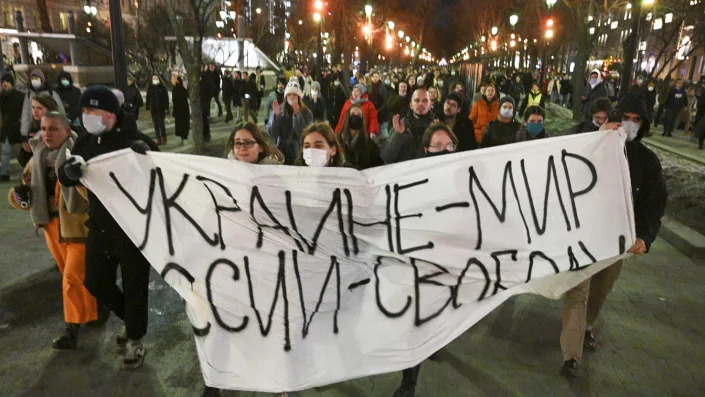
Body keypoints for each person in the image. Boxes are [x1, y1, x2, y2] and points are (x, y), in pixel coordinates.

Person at [559, 92, 667, 378]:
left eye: (637, 120)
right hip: (583, 235)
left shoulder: (646, 161)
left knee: (600, 291)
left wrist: (645, 236)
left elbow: (654, 203)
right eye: (626, 119)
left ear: (643, 124)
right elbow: (562, 157)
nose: (630, 125)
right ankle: (571, 355)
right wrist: (597, 135)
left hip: (616, 242)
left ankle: (585, 327)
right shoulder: (592, 143)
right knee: (577, 291)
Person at [58, 86, 159, 370]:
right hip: (101, 227)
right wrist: (68, 172)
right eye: (85, 111)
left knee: (135, 285)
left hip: (134, 230)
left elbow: (161, 171)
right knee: (95, 280)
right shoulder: (87, 142)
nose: (88, 116)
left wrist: (147, 156)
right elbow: (66, 174)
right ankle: (130, 318)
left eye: (94, 111)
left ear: (112, 113)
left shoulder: (135, 139)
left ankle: (135, 341)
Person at [9, 111, 97, 349]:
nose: (47, 134)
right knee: (76, 277)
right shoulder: (36, 158)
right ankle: (94, 311)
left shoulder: (79, 157)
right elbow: (21, 194)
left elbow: (94, 195)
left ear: (67, 131)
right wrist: (19, 197)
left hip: (78, 227)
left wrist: (75, 179)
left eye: (53, 129)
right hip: (50, 226)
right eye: (44, 128)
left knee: (71, 279)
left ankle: (72, 328)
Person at [392, 122, 459, 397]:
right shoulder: (413, 177)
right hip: (419, 259)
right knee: (416, 320)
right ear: (426, 149)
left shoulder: (466, 175)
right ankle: (410, 381)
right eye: (437, 146)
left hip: (451, 261)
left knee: (436, 314)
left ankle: (436, 339)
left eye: (448, 146)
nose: (443, 150)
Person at [382, 88, 436, 164]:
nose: (421, 103)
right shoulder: (401, 124)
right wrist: (399, 134)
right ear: (411, 105)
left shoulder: (437, 126)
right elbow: (387, 157)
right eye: (417, 100)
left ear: (430, 104)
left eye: (425, 101)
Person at [271, 78, 313, 165]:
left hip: (298, 150)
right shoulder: (280, 110)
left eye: (294, 94)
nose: (292, 97)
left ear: (299, 96)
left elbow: (305, 134)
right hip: (281, 150)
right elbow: (273, 133)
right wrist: (277, 117)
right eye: (289, 94)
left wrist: (297, 115)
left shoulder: (306, 112)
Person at [18, 94, 61, 168]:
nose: (35, 111)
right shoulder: (33, 128)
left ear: (50, 109)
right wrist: (26, 151)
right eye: (33, 107)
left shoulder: (60, 126)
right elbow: (23, 162)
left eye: (39, 108)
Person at [21, 69, 65, 140]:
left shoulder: (51, 93)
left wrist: (62, 127)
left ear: (42, 79)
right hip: (33, 128)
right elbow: (25, 113)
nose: (34, 80)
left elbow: (60, 110)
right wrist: (24, 133)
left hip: (50, 126)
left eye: (36, 78)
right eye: (32, 78)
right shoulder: (29, 94)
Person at [337, 104, 384, 170]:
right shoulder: (336, 140)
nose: (356, 116)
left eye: (359, 115)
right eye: (353, 114)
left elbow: (378, 164)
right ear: (347, 117)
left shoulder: (368, 143)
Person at [1, 73, 24, 181]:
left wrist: (21, 122)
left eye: (7, 81)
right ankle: (4, 173)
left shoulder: (19, 95)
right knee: (6, 151)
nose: (4, 84)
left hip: (19, 126)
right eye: (3, 82)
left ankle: (28, 172)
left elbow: (24, 111)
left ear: (12, 83)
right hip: (6, 128)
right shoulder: (1, 96)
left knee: (25, 149)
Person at [146, 74, 169, 145]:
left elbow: (166, 98)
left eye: (156, 78)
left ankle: (164, 138)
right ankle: (158, 139)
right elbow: (148, 98)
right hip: (154, 109)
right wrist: (147, 108)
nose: (155, 79)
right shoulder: (150, 88)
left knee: (161, 124)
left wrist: (166, 108)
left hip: (161, 108)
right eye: (154, 78)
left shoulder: (162, 87)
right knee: (156, 124)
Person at [367, 70, 389, 138]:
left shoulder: (383, 88)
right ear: (371, 78)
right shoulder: (368, 88)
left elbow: (385, 102)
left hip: (381, 115)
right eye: (373, 77)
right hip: (370, 112)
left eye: (376, 76)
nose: (375, 78)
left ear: (379, 77)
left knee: (382, 135)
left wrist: (378, 110)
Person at [171, 74, 190, 144]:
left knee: (181, 125)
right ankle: (184, 139)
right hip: (184, 110)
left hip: (179, 110)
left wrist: (174, 111)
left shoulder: (175, 90)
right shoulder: (183, 89)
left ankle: (184, 139)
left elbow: (175, 101)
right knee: (184, 125)